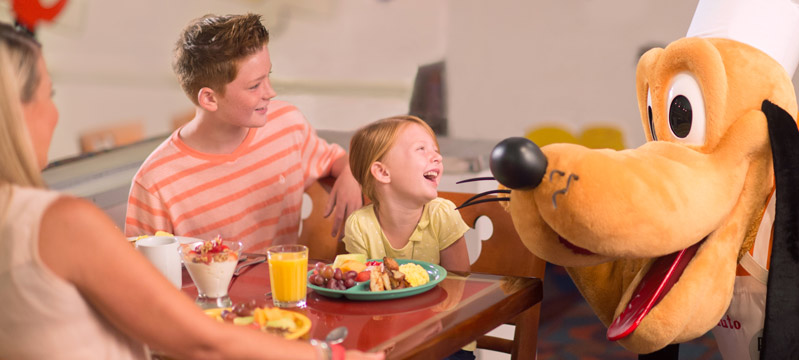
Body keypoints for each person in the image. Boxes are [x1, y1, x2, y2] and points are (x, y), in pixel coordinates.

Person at [0, 22, 380, 360]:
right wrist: (330, 354)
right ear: (16, 113)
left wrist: (349, 170)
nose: (56, 114)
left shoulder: (286, 126)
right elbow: (191, 335)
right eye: (50, 95)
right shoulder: (67, 220)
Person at [125, 14, 361, 253]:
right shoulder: (155, 183)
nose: (270, 92)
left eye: (267, 76)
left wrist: (351, 173)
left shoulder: (287, 125)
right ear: (209, 98)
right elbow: (139, 275)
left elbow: (336, 160)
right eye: (254, 86)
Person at [343, 115, 471, 273]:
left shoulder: (443, 215)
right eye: (421, 149)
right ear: (383, 172)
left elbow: (458, 285)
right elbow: (360, 285)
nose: (438, 157)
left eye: (435, 150)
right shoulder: (359, 226)